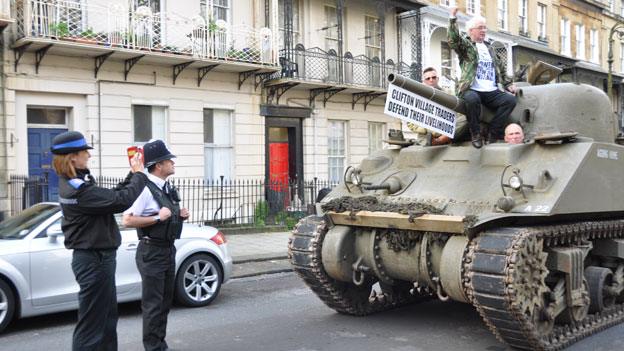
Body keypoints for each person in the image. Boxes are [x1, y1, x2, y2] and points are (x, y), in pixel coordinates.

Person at [51, 131, 147, 351]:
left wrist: (132, 175)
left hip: (99, 258)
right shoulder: (77, 189)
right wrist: (139, 175)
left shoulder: (79, 181)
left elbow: (110, 197)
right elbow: (120, 200)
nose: (89, 155)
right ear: (73, 157)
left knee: (106, 319)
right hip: (93, 260)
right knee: (93, 324)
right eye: (85, 151)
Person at [122, 139, 189, 351]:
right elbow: (128, 219)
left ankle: (160, 345)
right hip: (151, 251)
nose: (173, 163)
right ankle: (153, 348)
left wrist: (179, 216)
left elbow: (165, 213)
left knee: (164, 303)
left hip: (167, 249)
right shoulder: (144, 188)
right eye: (170, 160)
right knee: (153, 306)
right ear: (159, 165)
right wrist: (158, 219)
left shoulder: (165, 186)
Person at [448, 7, 517, 148]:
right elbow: (453, 40)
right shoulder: (467, 46)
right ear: (471, 30)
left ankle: (494, 131)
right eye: (480, 28)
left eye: (485, 28)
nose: (484, 30)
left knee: (509, 100)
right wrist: (452, 18)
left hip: (491, 90)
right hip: (471, 88)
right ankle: (475, 133)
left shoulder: (490, 48)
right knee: (472, 100)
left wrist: (508, 83)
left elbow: (501, 69)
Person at [407, 67, 468, 145]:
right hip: (426, 136)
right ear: (424, 81)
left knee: (465, 118)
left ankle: (441, 140)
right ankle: (438, 140)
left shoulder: (448, 94)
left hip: (446, 131)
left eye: (433, 77)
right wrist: (427, 128)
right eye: (428, 78)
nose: (431, 80)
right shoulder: (418, 98)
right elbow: (410, 123)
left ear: (438, 79)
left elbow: (459, 113)